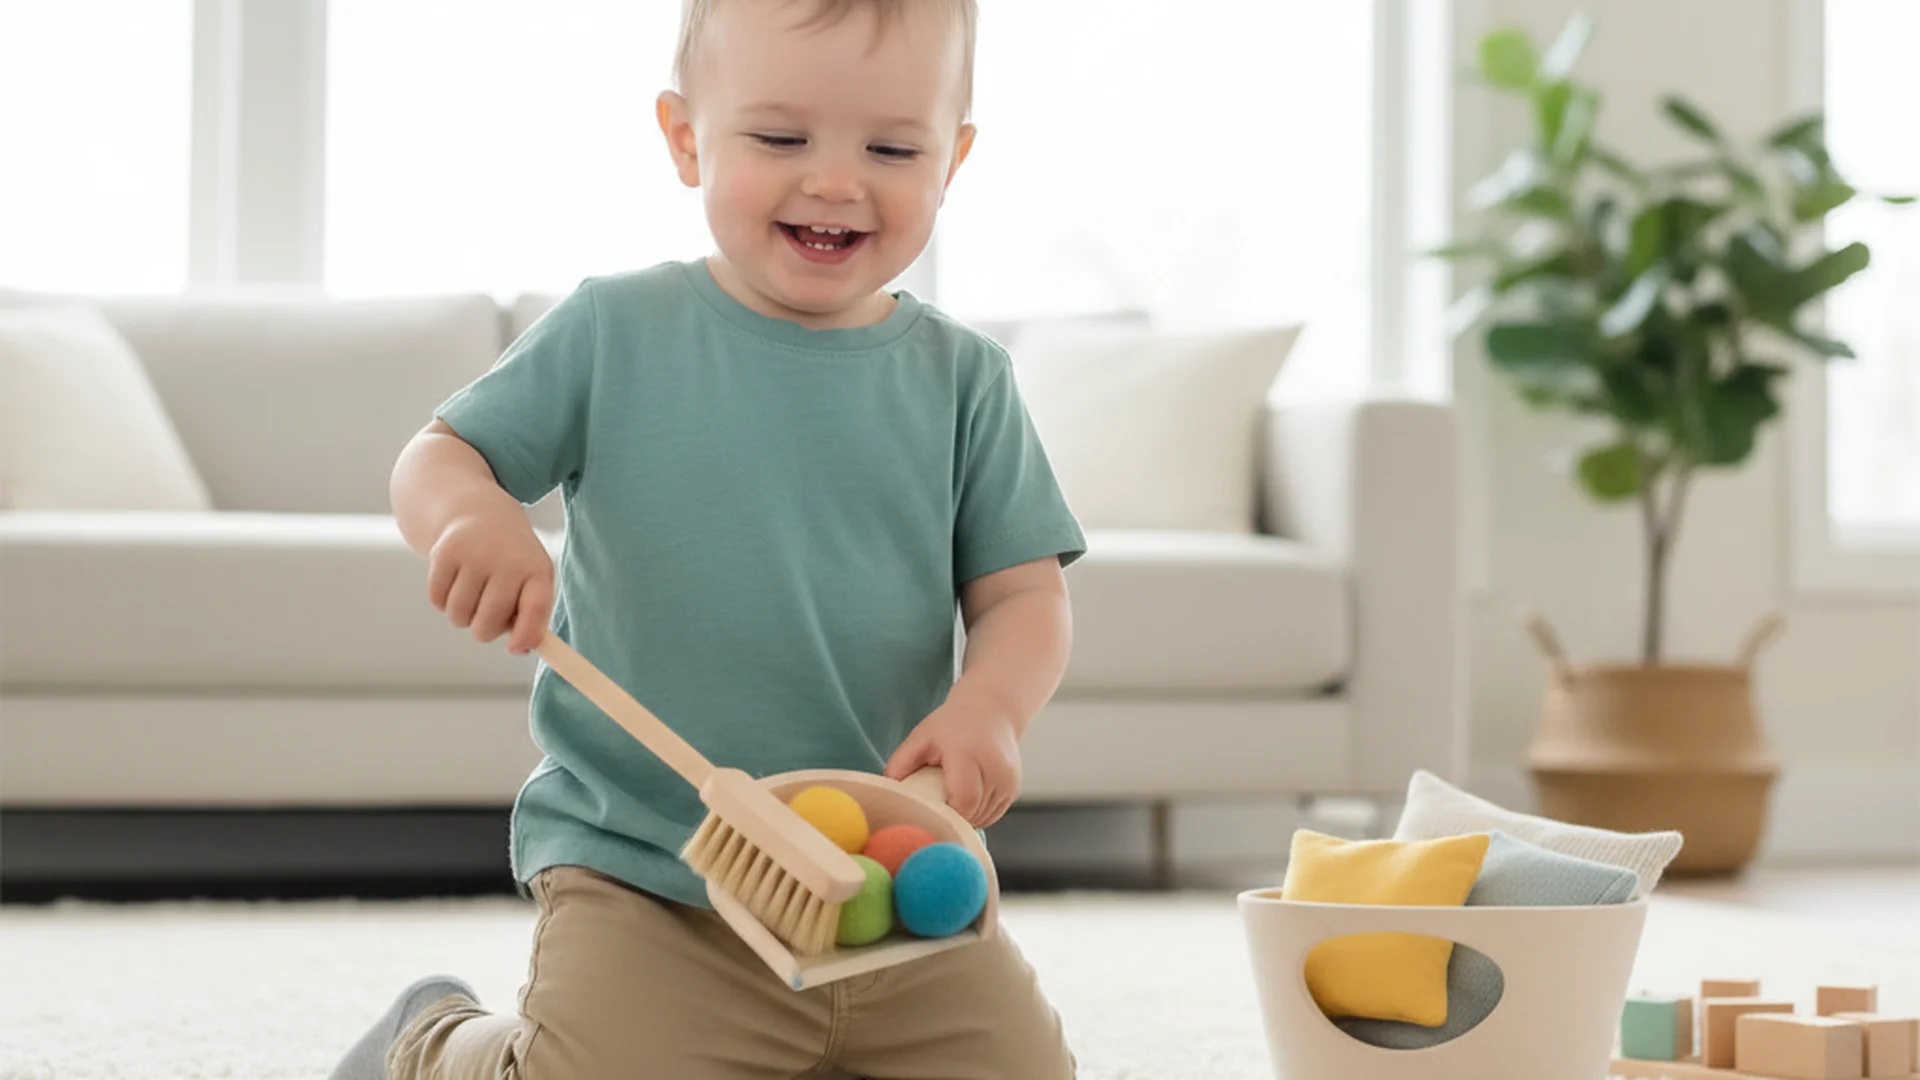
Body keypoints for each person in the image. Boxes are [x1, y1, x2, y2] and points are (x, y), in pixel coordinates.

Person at [328, 0, 1085, 1076]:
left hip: (888, 876)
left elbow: (1024, 596)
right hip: (650, 874)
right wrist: (472, 515)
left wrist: (990, 708)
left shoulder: (967, 381)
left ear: (953, 161)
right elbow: (438, 455)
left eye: (892, 149)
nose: (836, 181)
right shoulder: (616, 331)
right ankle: (434, 1044)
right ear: (686, 138)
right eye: (780, 137)